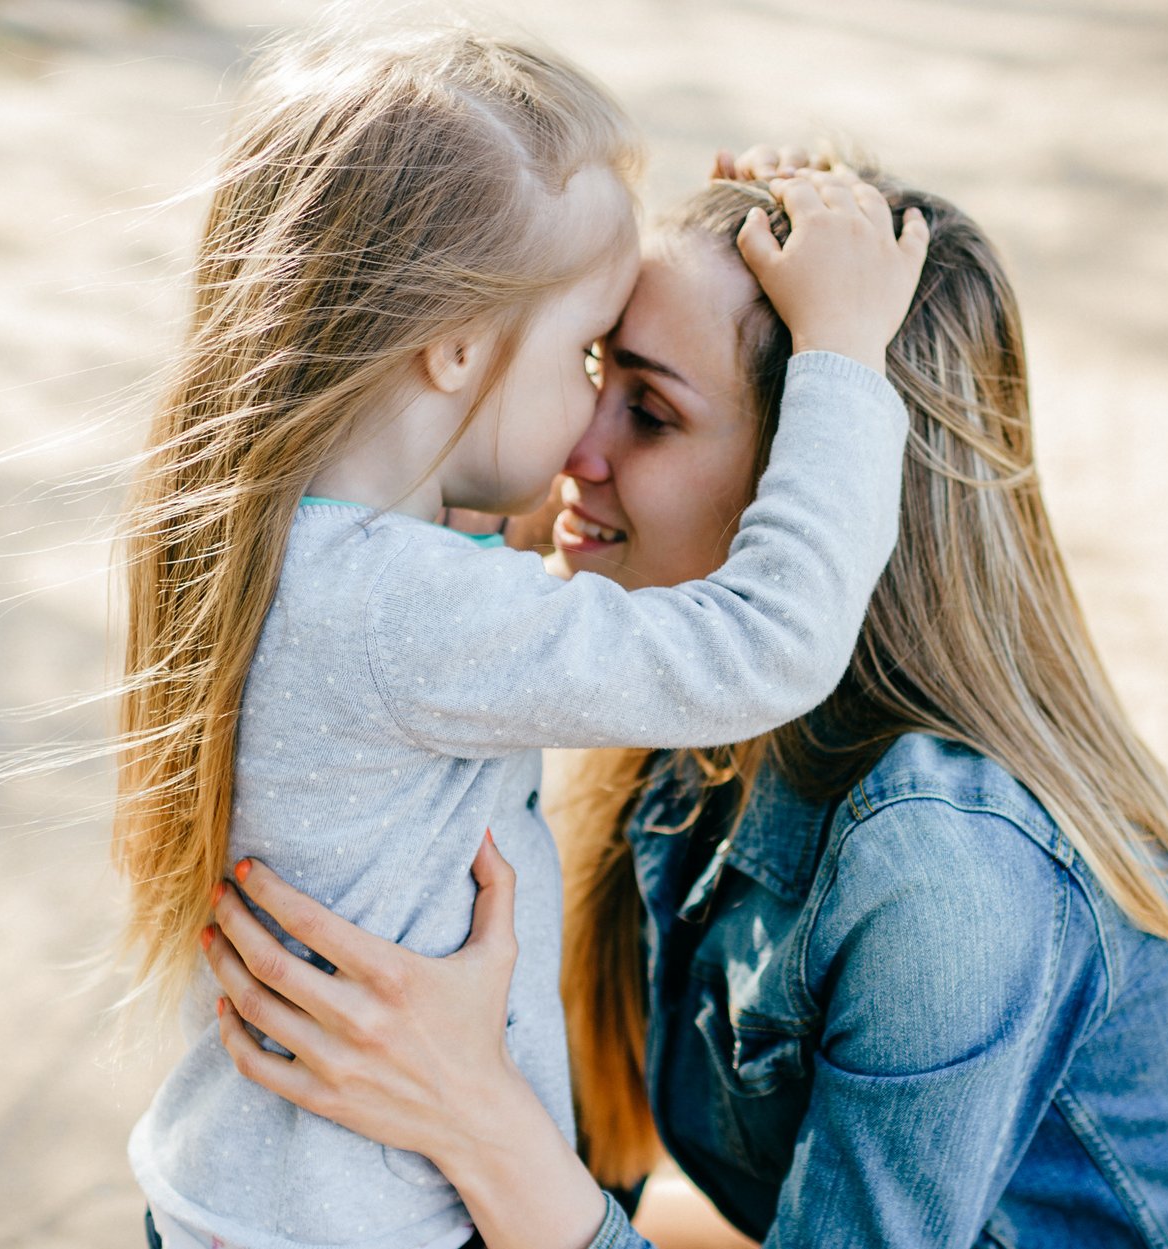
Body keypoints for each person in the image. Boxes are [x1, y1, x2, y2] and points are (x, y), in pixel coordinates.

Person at [195, 156, 1168, 1248]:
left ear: (821, 483)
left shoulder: (942, 872)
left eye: (648, 412)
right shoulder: (685, 717)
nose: (575, 447)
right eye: (596, 374)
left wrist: (470, 1113)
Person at [112, 27, 931, 1249]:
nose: (592, 414)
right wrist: (839, 356)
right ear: (450, 348)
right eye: (587, 353)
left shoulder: (290, 540)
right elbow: (761, 645)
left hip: (249, 1202)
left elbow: (473, 531)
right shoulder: (403, 609)